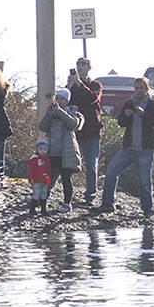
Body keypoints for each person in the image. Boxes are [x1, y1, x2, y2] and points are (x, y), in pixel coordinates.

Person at [96, 76, 154, 218]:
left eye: (141, 88)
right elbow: (121, 122)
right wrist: (126, 116)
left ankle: (148, 211)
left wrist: (144, 115)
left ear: (146, 89)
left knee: (145, 181)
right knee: (111, 171)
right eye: (136, 88)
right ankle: (107, 203)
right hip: (128, 148)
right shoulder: (129, 103)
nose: (138, 90)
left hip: (146, 149)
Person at [39, 87, 84, 213]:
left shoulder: (73, 112)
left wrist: (60, 112)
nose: (59, 101)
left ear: (67, 100)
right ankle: (41, 199)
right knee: (48, 178)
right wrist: (48, 114)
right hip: (52, 152)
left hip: (66, 153)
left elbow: (73, 125)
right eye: (57, 98)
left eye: (62, 99)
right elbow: (42, 127)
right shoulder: (52, 114)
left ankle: (67, 203)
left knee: (66, 179)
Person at [66, 56, 103, 203]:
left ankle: (91, 195)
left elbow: (92, 98)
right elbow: (63, 100)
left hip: (92, 130)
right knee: (67, 161)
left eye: (84, 64)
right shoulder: (72, 86)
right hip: (74, 129)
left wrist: (80, 84)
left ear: (89, 67)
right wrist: (69, 86)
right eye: (79, 64)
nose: (81, 67)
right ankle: (66, 193)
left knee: (91, 164)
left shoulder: (96, 84)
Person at [26, 139, 53, 215]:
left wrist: (49, 177)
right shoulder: (34, 159)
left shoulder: (47, 159)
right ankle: (32, 208)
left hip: (45, 180)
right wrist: (30, 178)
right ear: (37, 149)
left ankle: (43, 209)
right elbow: (31, 170)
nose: (43, 151)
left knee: (44, 195)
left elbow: (49, 169)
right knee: (36, 194)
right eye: (40, 149)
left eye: (45, 149)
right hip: (36, 180)